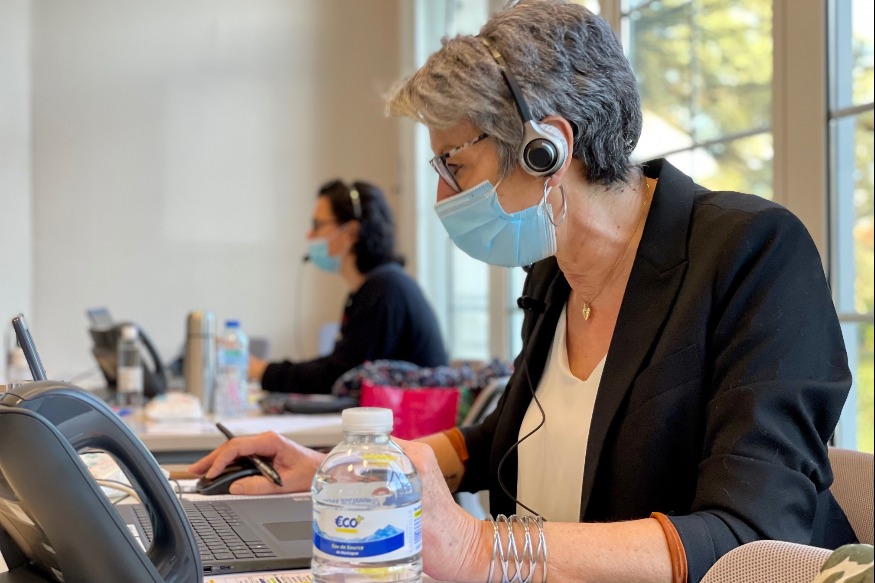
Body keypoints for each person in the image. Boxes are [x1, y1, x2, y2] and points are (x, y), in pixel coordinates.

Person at [191, 2, 857, 581]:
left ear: (547, 148)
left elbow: (749, 538)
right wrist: (352, 470)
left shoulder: (751, 252)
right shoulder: (552, 268)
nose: (440, 194)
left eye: (454, 164)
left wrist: (483, 549)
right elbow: (507, 438)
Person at [249, 179, 448, 394]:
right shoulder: (373, 288)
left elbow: (339, 376)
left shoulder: (385, 290)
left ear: (351, 233)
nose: (309, 235)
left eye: (317, 225)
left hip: (420, 414)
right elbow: (341, 364)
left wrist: (265, 371)